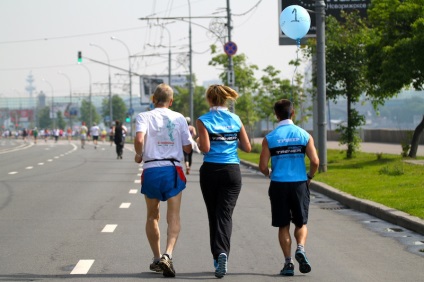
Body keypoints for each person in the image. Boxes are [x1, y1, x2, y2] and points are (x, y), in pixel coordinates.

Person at [134, 83, 192, 278]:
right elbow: (187, 147)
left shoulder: (144, 116)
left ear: (153, 99)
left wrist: (138, 154)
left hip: (151, 169)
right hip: (172, 169)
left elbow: (140, 139)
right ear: (171, 101)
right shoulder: (179, 118)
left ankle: (157, 257)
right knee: (173, 216)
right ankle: (168, 254)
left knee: (152, 215)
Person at [258, 99, 319, 277]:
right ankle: (300, 248)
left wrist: (271, 173)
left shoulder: (270, 138)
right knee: (301, 222)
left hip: (278, 185)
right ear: (293, 113)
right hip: (300, 183)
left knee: (283, 224)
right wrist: (309, 177)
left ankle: (288, 263)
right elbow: (315, 162)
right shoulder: (304, 135)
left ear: (276, 115)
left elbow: (262, 166)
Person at [196, 84, 251, 278]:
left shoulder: (203, 120)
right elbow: (247, 147)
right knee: (225, 214)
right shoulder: (235, 119)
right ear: (226, 99)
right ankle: (222, 253)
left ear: (209, 99)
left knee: (213, 214)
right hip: (232, 171)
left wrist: (198, 140)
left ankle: (218, 254)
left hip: (211, 170)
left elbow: (206, 148)